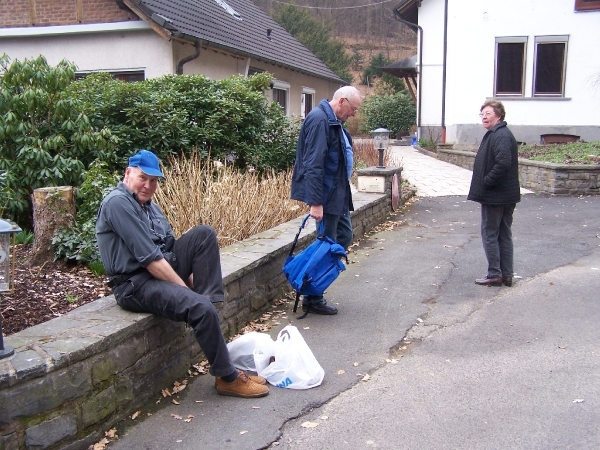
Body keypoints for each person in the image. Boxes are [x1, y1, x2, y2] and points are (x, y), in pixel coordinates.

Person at [96, 149, 269, 398]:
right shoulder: (118, 203)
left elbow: (170, 250)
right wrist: (188, 295)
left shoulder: (149, 206)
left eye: (154, 180)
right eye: (143, 178)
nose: (148, 185)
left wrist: (196, 296)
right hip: (134, 284)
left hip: (158, 271)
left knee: (203, 234)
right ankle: (227, 378)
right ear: (128, 173)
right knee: (198, 306)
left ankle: (208, 309)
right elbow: (152, 261)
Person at [290, 85, 362, 315]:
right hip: (326, 197)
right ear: (341, 101)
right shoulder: (320, 120)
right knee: (326, 245)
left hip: (337, 195)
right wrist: (316, 202)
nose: (354, 114)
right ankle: (312, 296)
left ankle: (314, 284)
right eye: (353, 109)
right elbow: (313, 164)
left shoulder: (333, 121)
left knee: (343, 237)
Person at [467, 100, 521, 287]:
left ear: (499, 116)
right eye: (482, 113)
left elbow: (503, 163)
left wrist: (487, 181)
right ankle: (506, 275)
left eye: (488, 113)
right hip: (504, 194)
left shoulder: (500, 135)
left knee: (491, 233)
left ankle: (495, 274)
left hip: (496, 195)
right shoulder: (499, 134)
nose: (484, 116)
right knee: (503, 234)